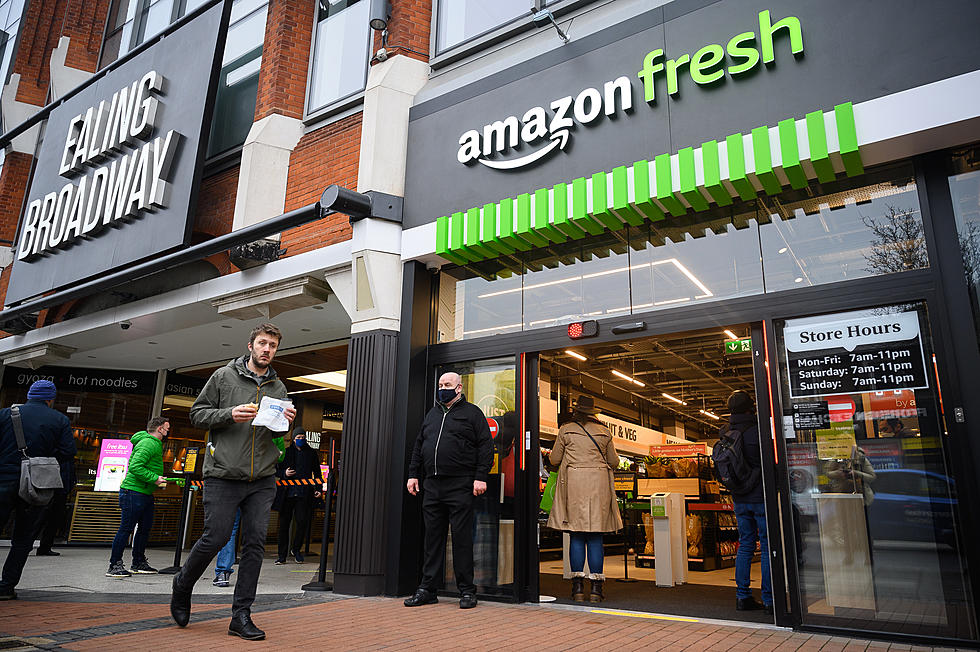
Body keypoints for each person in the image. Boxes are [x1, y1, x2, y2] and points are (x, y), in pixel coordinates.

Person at [170, 323, 295, 641]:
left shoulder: (278, 387)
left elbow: (277, 433)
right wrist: (229, 414)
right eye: (263, 343)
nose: (268, 349)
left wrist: (286, 424)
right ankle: (183, 585)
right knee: (216, 537)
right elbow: (197, 414)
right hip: (224, 475)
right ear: (250, 345)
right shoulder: (223, 377)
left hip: (262, 479)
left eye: (273, 346)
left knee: (254, 545)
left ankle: (241, 615)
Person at [404, 372, 493, 610]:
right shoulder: (432, 414)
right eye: (440, 384)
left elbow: (486, 446)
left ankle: (467, 591)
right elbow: (419, 446)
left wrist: (480, 477)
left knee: (462, 540)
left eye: (447, 385)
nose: (442, 388)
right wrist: (413, 474)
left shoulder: (472, 413)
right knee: (432, 540)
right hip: (432, 485)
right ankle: (427, 589)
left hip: (461, 485)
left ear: (459, 388)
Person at [0, 379, 75, 600]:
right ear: (50, 399)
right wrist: (44, 459)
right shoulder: (59, 419)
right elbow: (68, 452)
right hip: (37, 482)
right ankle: (6, 586)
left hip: (4, 478)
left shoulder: (5, 414)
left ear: (29, 395)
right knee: (24, 538)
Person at [547, 395, 622, 603]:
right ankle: (596, 589)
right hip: (598, 486)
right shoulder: (604, 432)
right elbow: (614, 462)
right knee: (596, 537)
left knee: (577, 535)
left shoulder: (566, 430)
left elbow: (554, 459)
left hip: (575, 485)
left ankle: (578, 587)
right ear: (593, 412)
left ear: (576, 411)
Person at [214, 435, 285, 588]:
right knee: (253, 531)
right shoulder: (272, 429)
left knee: (230, 529)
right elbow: (280, 456)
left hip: (234, 481)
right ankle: (246, 578)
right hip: (259, 485)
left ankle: (223, 571)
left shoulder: (241, 427)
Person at [726, 390, 772, 614]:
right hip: (760, 496)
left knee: (745, 545)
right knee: (766, 546)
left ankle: (742, 597)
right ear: (750, 407)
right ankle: (770, 600)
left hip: (739, 498)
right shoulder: (758, 430)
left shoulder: (727, 432)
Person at [106, 417, 170, 577]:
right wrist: (154, 478)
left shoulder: (152, 443)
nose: (168, 432)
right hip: (133, 492)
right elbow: (135, 466)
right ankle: (114, 565)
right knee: (126, 528)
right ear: (160, 428)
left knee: (144, 529)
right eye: (167, 429)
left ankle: (138, 562)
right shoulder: (148, 443)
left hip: (145, 492)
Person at [274, 428, 323, 564]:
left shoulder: (311, 453)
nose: (301, 439)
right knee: (284, 525)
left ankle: (296, 550)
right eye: (298, 437)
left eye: (303, 437)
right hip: (287, 494)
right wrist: (284, 473)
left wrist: (318, 488)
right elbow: (275, 470)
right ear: (294, 438)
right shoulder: (287, 452)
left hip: (304, 494)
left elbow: (317, 473)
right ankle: (281, 555)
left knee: (302, 523)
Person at [35, 446, 76, 556]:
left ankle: (42, 546)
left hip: (56, 483)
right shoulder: (62, 451)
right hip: (53, 483)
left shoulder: (60, 451)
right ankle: (31, 545)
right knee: (45, 516)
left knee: (49, 517)